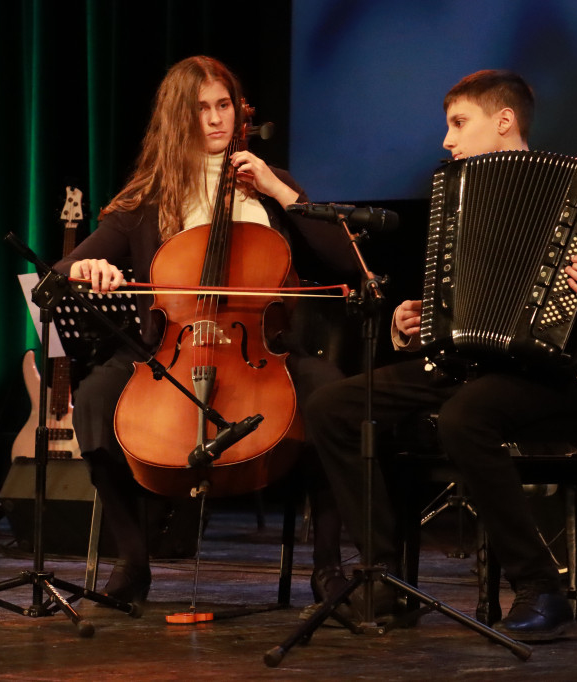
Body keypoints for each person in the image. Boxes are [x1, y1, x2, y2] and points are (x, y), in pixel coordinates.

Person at [304, 69, 577, 641]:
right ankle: (381, 576)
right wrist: (412, 324)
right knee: (333, 405)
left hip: (554, 378)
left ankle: (541, 588)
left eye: (459, 124)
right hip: (464, 366)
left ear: (504, 121)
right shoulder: (456, 192)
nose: (447, 140)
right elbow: (448, 296)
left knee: (466, 417)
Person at [53, 56, 355, 606]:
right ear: (178, 118)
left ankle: (328, 567)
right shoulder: (148, 199)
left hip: (263, 351)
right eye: (201, 110)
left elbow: (348, 263)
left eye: (224, 106)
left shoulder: (270, 186)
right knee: (94, 397)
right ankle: (132, 562)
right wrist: (82, 268)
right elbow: (58, 276)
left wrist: (280, 191)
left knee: (330, 394)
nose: (216, 120)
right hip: (169, 352)